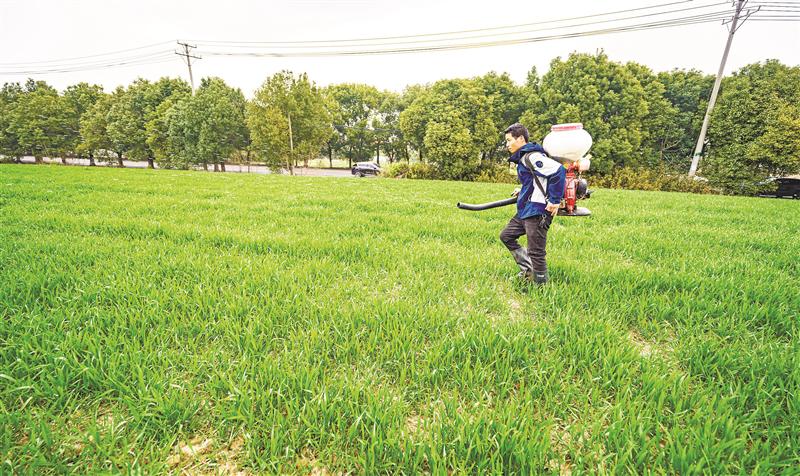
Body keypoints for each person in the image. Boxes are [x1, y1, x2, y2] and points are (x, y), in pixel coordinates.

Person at [499, 123, 565, 284]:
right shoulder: (524, 158)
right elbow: (537, 180)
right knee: (506, 236)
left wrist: (555, 201)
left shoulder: (532, 156)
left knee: (536, 251)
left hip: (538, 211)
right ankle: (528, 271)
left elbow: (558, 171)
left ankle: (541, 287)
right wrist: (523, 189)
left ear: (520, 139)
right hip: (526, 209)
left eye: (509, 140)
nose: (507, 145)